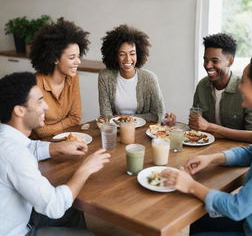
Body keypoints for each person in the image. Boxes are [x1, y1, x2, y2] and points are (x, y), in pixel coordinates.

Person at [0, 72, 110, 236]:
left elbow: (28, 147)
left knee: (71, 208)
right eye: (39, 101)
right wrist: (85, 169)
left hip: (16, 216)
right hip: (16, 232)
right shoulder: (15, 154)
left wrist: (56, 148)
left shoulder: (8, 139)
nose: (45, 106)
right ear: (19, 111)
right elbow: (54, 206)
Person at [160, 58, 252, 236]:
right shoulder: (203, 86)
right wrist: (212, 158)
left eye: (244, 82)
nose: (240, 87)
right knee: (197, 220)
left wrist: (190, 186)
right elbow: (250, 152)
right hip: (250, 217)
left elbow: (237, 208)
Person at [188, 33, 252, 143]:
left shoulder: (246, 90)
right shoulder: (202, 86)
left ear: (230, 61)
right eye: (205, 60)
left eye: (215, 61)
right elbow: (195, 127)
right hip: (205, 149)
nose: (208, 65)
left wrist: (211, 128)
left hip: (238, 153)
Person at [30, 19, 90, 139]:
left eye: (78, 56)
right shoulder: (35, 84)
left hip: (64, 139)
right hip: (39, 146)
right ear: (55, 59)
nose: (78, 62)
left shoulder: (73, 78)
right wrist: (65, 124)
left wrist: (54, 128)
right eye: (72, 57)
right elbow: (40, 131)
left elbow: (76, 117)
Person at [98, 24, 165, 123]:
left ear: (138, 54)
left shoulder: (149, 78)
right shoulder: (105, 77)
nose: (128, 59)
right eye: (122, 54)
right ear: (115, 56)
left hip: (143, 131)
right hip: (115, 131)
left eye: (132, 54)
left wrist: (124, 118)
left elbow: (158, 115)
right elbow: (106, 116)